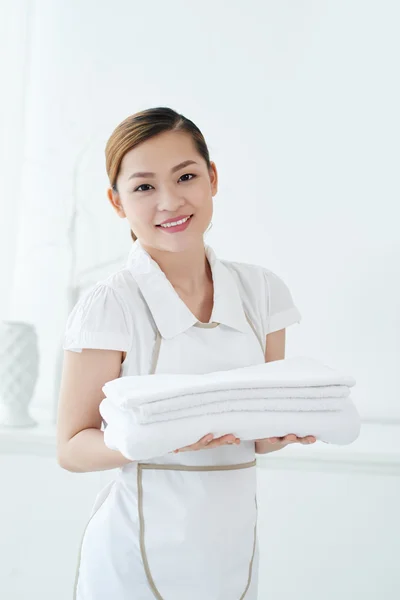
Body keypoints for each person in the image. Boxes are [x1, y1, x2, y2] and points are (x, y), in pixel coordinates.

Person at [56, 106, 316, 600]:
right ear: (117, 203)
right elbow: (71, 447)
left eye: (186, 176)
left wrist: (285, 431)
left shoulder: (262, 293)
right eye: (144, 187)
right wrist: (159, 438)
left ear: (212, 178)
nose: (170, 201)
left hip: (230, 554)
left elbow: (259, 435)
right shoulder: (110, 304)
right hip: (133, 558)